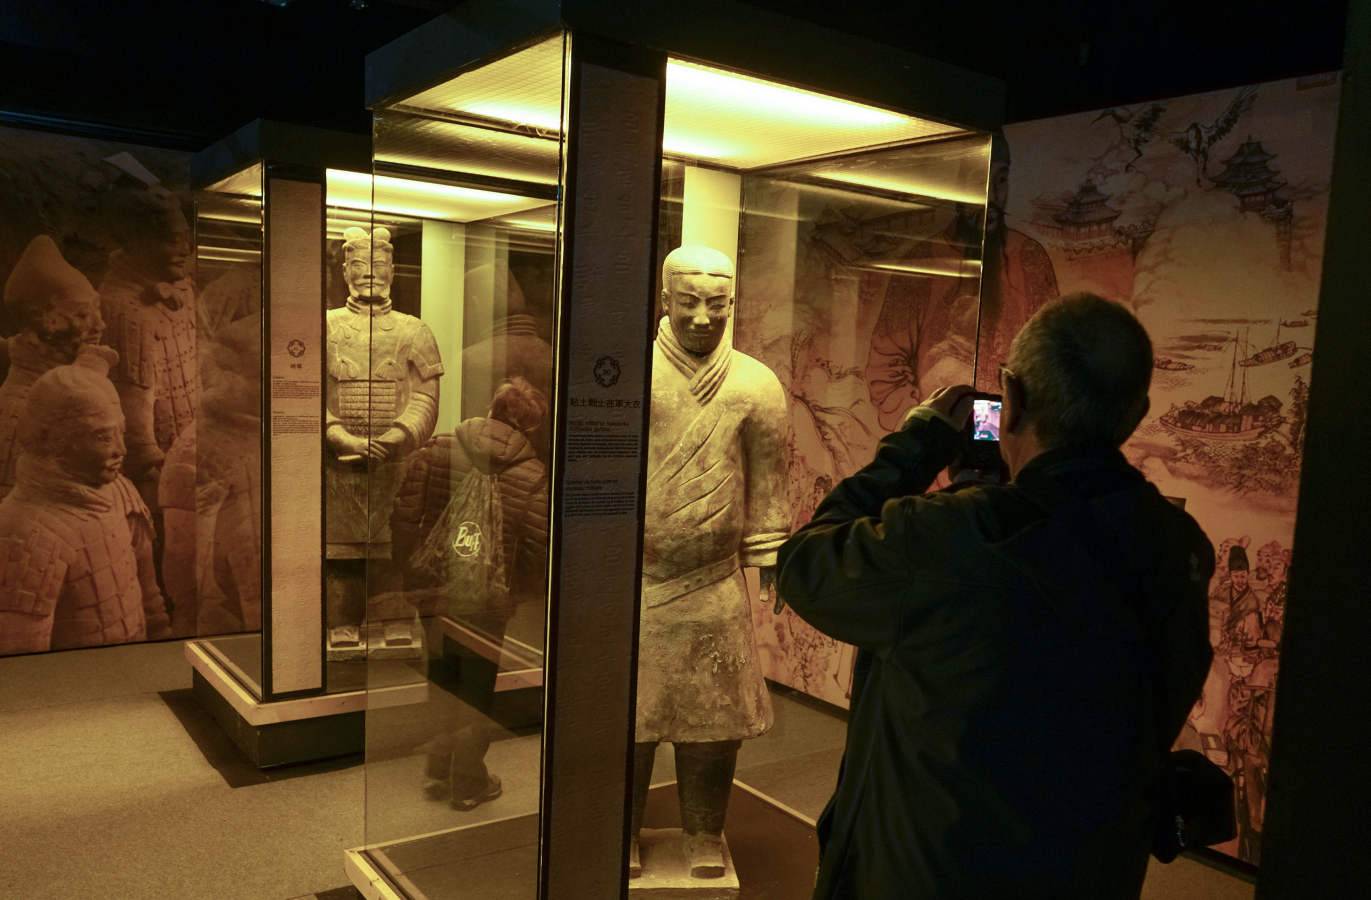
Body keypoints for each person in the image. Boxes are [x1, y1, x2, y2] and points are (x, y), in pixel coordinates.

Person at [777, 293, 1214, 899]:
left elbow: (804, 566)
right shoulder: (1178, 546)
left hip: (925, 877)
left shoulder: (948, 536)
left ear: (1013, 397)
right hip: (1090, 872)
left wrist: (915, 446)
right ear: (1136, 412)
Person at [631, 244, 790, 879]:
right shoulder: (631, 374)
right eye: (689, 301)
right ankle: (624, 832)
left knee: (714, 725)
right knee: (631, 723)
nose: (702, 316)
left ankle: (704, 831)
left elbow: (769, 480)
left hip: (715, 578)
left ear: (733, 304)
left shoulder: (755, 383)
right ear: (665, 299)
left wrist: (771, 553)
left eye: (717, 304)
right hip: (637, 583)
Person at [390, 376, 549, 810]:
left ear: (493, 410)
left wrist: (408, 572)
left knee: (441, 677)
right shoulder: (534, 475)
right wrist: (516, 594)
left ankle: (438, 768)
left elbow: (405, 516)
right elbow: (536, 552)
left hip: (434, 590)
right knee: (477, 687)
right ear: (531, 427)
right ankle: (468, 782)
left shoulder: (440, 450)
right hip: (486, 602)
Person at [0, 344, 167, 655]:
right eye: (102, 436)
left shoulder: (119, 491)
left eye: (121, 431)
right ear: (54, 439)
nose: (122, 450)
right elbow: (25, 666)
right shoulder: (22, 533)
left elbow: (149, 599)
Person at [0, 235, 106, 497]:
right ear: (45, 320)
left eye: (96, 310)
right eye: (82, 314)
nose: (99, 326)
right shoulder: (23, 411)